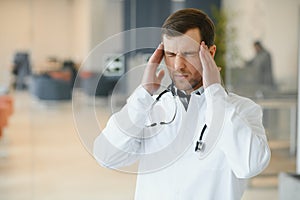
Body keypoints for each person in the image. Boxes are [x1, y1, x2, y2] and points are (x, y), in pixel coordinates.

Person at [93, 8, 271, 200]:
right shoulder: (149, 109)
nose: (178, 65)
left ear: (210, 53)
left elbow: (251, 165)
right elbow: (106, 156)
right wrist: (143, 95)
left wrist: (215, 94)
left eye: (188, 53)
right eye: (170, 54)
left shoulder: (241, 110)